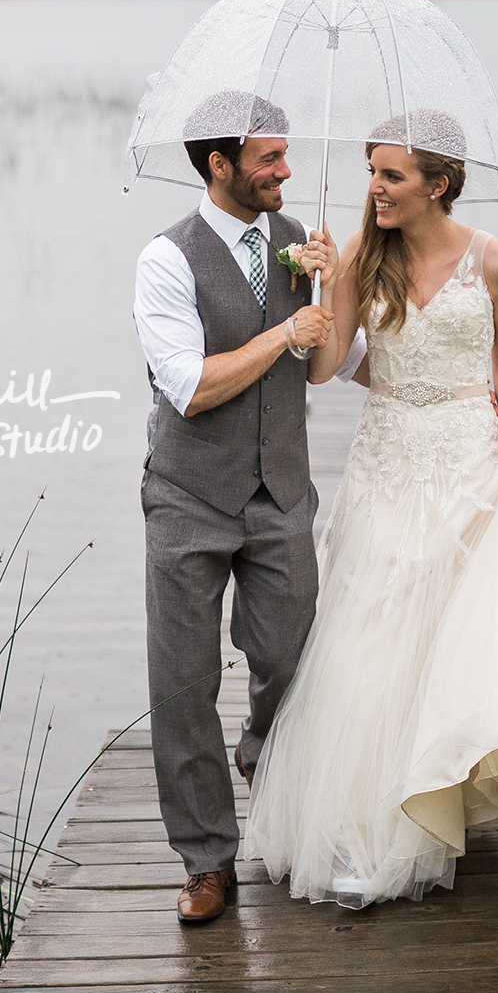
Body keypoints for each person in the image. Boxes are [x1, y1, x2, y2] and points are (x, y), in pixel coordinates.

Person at [246, 109, 498, 908]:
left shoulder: (497, 262)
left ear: (441, 182)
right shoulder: (363, 254)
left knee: (466, 635)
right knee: (372, 642)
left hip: (470, 457)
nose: (375, 188)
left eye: (390, 175)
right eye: (371, 173)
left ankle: (455, 788)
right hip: (388, 458)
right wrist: (324, 294)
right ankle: (371, 825)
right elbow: (327, 369)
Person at [132, 91, 337, 925]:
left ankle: (261, 750)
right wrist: (283, 336)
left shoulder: (300, 247)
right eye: (269, 159)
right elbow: (189, 387)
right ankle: (208, 860)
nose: (286, 170)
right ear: (220, 166)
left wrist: (340, 282)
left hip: (281, 491)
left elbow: (334, 359)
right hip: (187, 495)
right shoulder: (166, 260)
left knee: (294, 661)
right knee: (183, 683)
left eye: (287, 155)